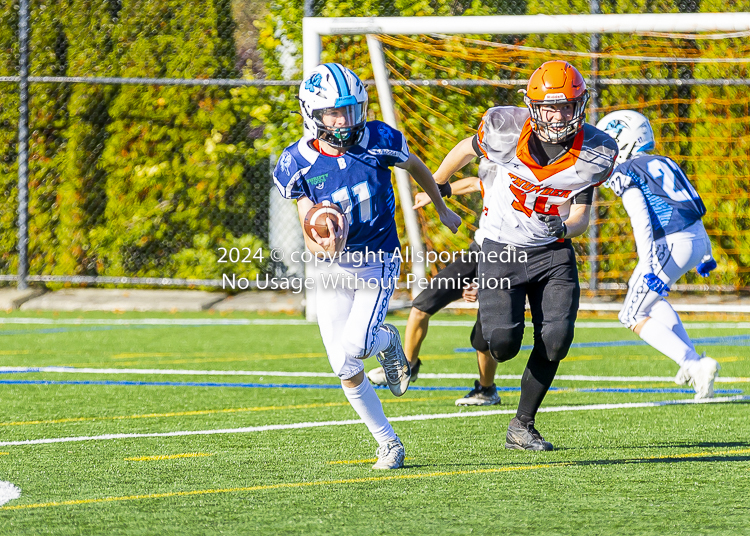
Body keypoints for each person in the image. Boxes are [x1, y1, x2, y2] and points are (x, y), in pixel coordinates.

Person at [273, 63, 461, 470]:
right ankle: (389, 443)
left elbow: (416, 167)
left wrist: (442, 207)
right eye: (333, 113)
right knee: (343, 365)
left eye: (351, 110)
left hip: (377, 260)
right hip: (330, 268)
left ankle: (388, 342)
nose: (344, 121)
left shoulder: (378, 138)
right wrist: (320, 240)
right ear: (312, 114)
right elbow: (306, 217)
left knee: (357, 346)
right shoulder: (296, 161)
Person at [432, 60, 618, 451]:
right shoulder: (505, 129)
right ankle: (487, 316)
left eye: (566, 105)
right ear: (533, 106)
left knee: (556, 339)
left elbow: (581, 215)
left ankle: (522, 425)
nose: (558, 114)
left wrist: (564, 229)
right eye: (550, 106)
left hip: (553, 254)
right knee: (503, 345)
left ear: (580, 106)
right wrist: (438, 185)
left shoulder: (596, 152)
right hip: (501, 249)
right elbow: (467, 148)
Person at [596, 110, 720, 399]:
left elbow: (641, 221)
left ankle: (693, 363)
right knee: (646, 299)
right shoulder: (664, 162)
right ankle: (692, 360)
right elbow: (691, 205)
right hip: (695, 238)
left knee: (631, 314)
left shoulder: (628, 171)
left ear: (622, 139)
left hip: (670, 243)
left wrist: (649, 265)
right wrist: (706, 253)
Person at [367, 159, 501, 406]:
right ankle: (406, 366)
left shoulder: (523, 183)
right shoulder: (497, 173)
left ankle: (486, 389)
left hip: (504, 258)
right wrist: (439, 191)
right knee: (421, 305)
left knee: (485, 334)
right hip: (478, 251)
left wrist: (483, 286)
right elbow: (474, 183)